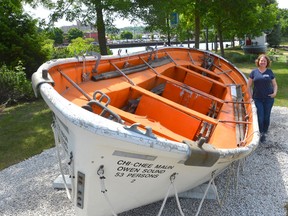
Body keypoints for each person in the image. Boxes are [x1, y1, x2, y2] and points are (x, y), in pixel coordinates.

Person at [247, 54, 278, 143]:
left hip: (269, 99)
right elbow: (248, 86)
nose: (263, 62)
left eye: (264, 61)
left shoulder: (270, 72)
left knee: (266, 116)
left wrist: (274, 93)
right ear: (258, 61)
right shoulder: (254, 72)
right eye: (261, 60)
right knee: (260, 117)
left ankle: (264, 132)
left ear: (267, 62)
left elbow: (275, 84)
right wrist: (250, 97)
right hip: (258, 99)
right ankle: (260, 133)